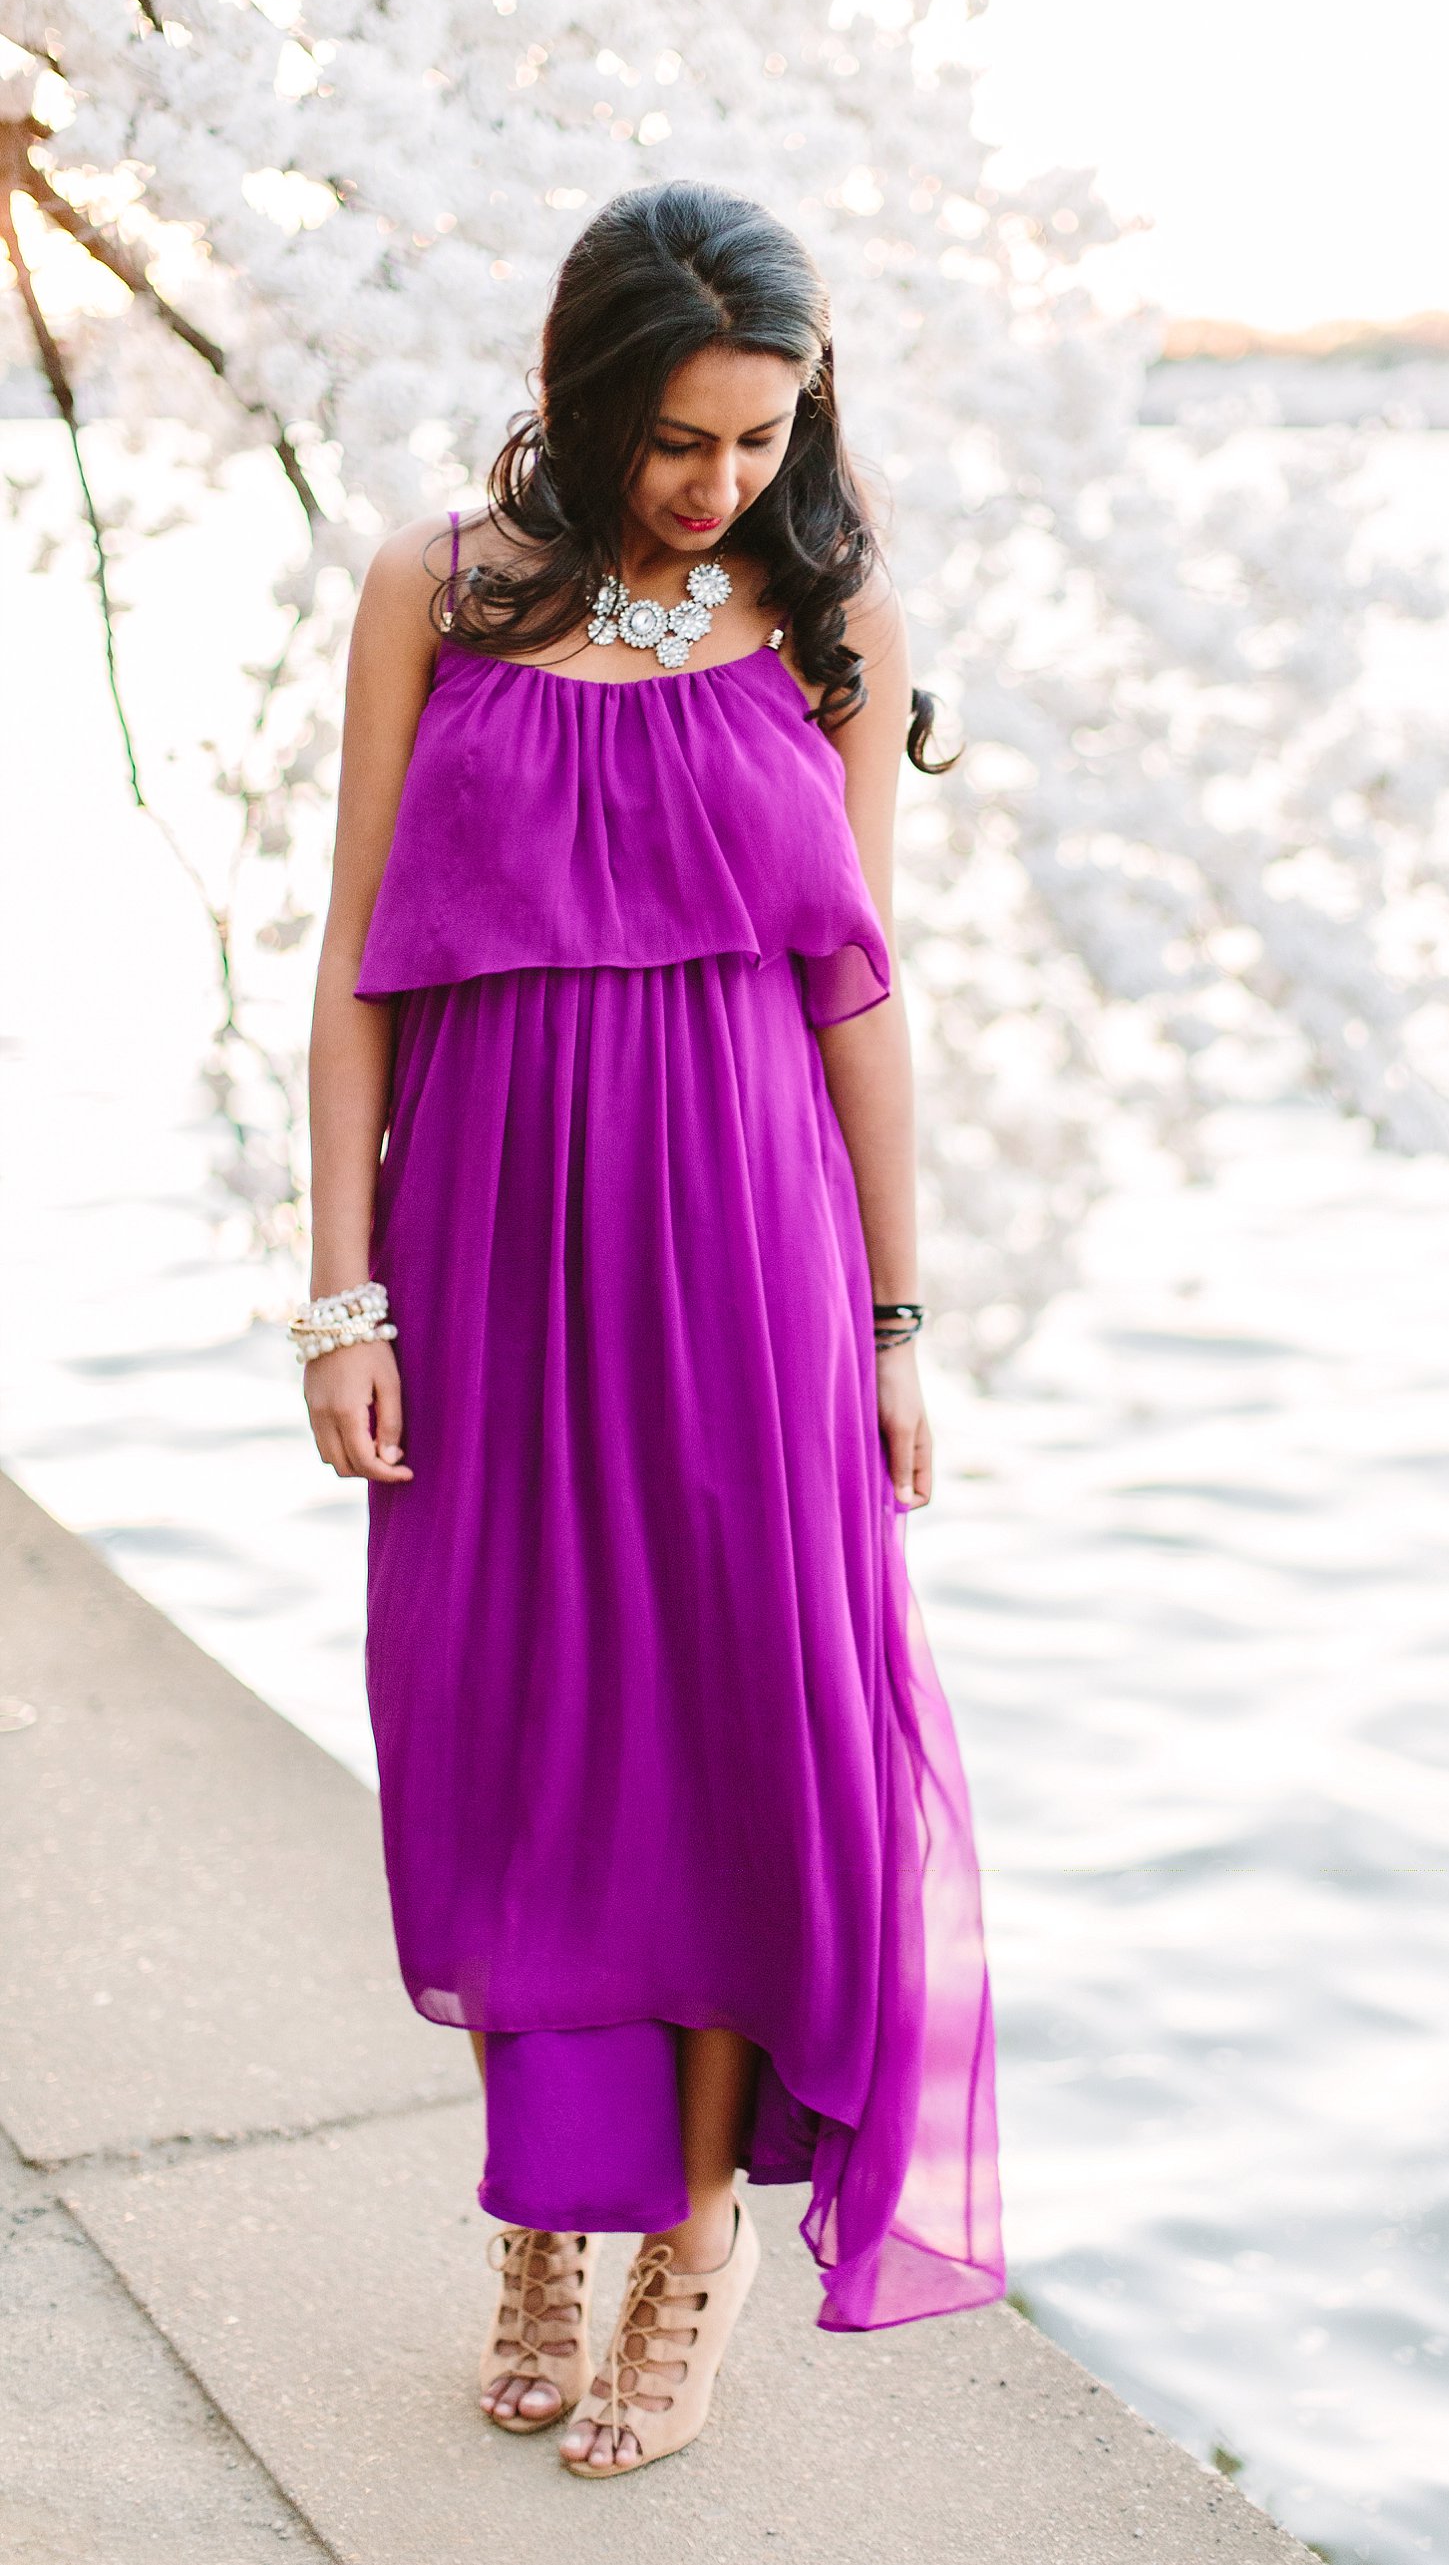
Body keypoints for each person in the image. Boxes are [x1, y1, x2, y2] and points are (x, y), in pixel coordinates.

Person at [297, 180, 1001, 2479]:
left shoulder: (829, 618)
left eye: (760, 435)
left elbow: (860, 992)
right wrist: (342, 1296)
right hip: (490, 1237)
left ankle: (688, 2249)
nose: (717, 487)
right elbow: (356, 972)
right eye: (679, 440)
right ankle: (543, 2212)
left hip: (748, 1247)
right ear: (590, 399)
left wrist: (893, 1319)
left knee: (729, 1742)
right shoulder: (441, 591)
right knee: (513, 1728)